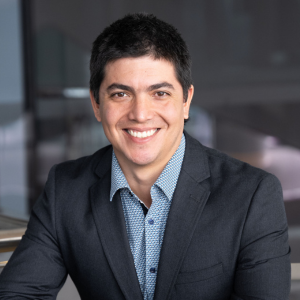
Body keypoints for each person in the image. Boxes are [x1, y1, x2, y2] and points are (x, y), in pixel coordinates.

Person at [0, 13, 290, 300]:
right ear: (96, 104)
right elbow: (18, 294)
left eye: (160, 93)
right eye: (120, 94)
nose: (140, 114)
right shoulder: (65, 190)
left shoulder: (252, 195)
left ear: (186, 101)